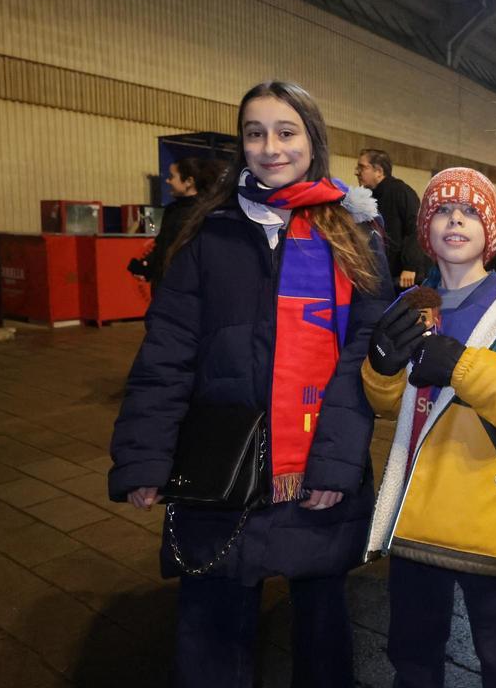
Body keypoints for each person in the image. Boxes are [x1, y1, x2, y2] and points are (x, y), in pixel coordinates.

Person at [107, 81, 392, 687]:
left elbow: (363, 358)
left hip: (316, 460)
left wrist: (337, 464)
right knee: (211, 630)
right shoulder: (209, 232)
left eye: (286, 132)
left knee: (321, 628)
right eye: (255, 133)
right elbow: (167, 350)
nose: (271, 147)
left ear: (313, 140)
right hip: (220, 462)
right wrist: (144, 455)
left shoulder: (353, 237)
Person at [362, 167, 496, 688]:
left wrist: (462, 367)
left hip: (485, 514)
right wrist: (380, 370)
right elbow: (388, 404)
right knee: (412, 655)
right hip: (416, 515)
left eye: (471, 212)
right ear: (426, 230)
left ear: (491, 232)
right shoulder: (411, 305)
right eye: (443, 211)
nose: (456, 220)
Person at [135, 157, 226, 286]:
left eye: (172, 177)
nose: (167, 180)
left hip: (186, 287)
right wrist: (148, 266)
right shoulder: (172, 210)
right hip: (165, 286)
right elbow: (163, 246)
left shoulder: (204, 212)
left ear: (189, 181)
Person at [355, 148, 430, 288]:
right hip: (383, 274)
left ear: (379, 171)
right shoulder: (369, 198)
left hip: (404, 277)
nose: (356, 172)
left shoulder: (401, 192)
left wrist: (410, 266)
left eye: (362, 167)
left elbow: (416, 229)